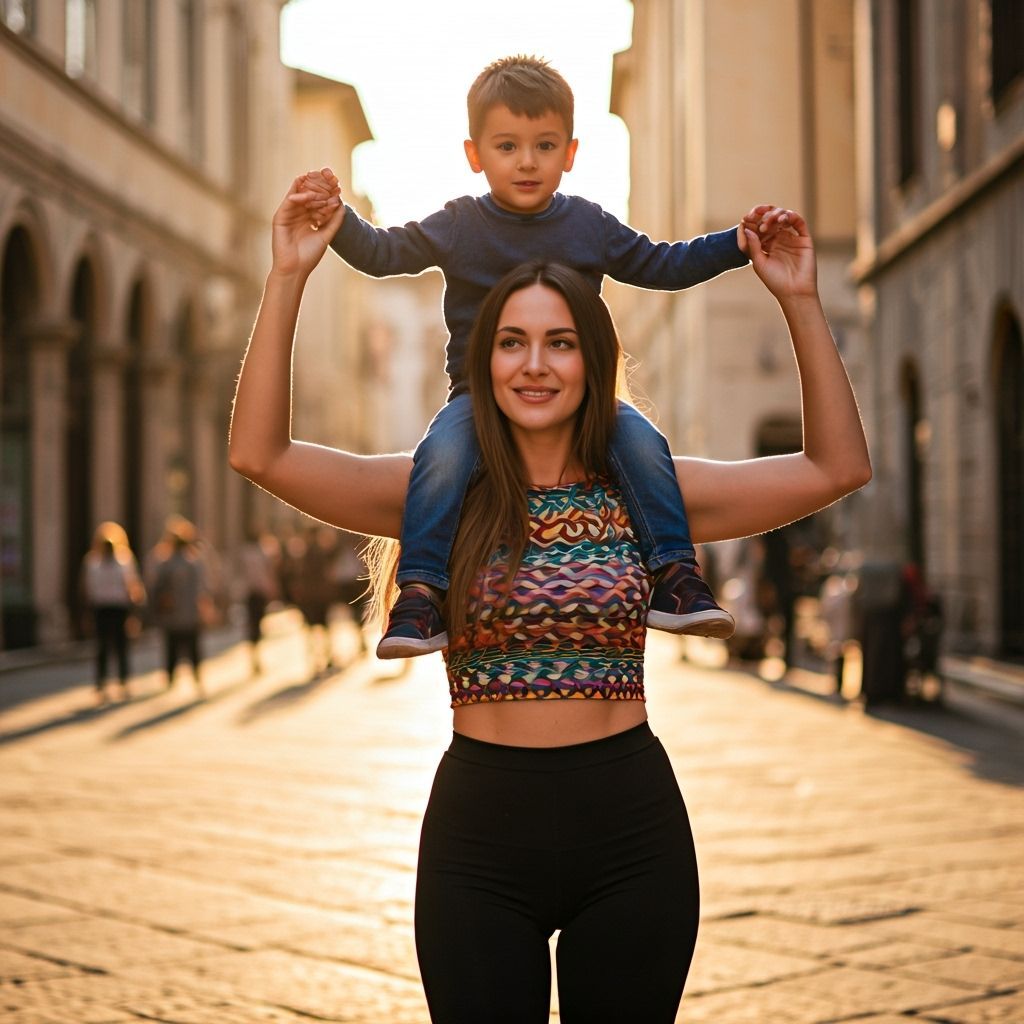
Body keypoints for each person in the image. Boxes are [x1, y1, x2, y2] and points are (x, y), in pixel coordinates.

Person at [228, 179, 870, 1022]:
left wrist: (799, 301)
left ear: (593, 359)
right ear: (482, 359)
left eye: (562, 342)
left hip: (633, 834)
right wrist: (288, 278)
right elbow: (260, 453)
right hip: (477, 842)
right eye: (513, 343)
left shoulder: (650, 494)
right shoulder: (436, 492)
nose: (535, 364)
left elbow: (836, 467)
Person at [297, 55, 790, 660]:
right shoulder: (459, 223)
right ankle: (422, 595)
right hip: (477, 400)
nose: (527, 161)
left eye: (544, 145)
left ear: (571, 152)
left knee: (642, 443)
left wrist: (737, 245)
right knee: (440, 455)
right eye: (507, 145)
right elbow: (382, 252)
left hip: (581, 401)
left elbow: (663, 264)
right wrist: (338, 219)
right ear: (475, 154)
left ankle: (676, 578)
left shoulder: (589, 224)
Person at [80, 522, 145, 702]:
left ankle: (106, 682)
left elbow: (87, 589)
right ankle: (118, 681)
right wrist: (135, 610)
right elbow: (133, 587)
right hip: (114, 607)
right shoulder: (119, 561)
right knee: (116, 646)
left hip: (106, 608)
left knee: (107, 646)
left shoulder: (94, 562)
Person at [152, 532, 210, 693]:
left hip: (173, 615)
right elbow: (202, 590)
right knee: (193, 648)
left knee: (172, 647)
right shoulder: (194, 563)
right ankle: (197, 676)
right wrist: (204, 610)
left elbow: (158, 588)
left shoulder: (166, 563)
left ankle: (170, 678)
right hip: (190, 614)